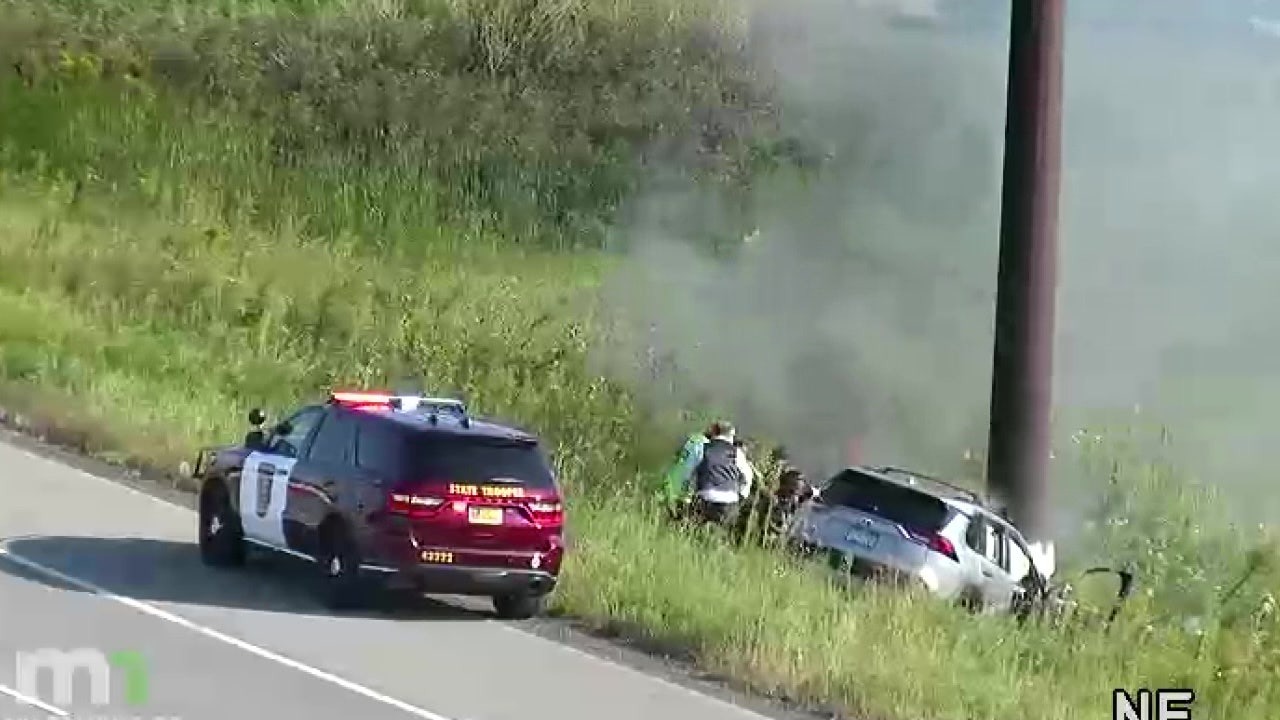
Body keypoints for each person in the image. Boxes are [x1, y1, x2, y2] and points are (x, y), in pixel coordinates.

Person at [688, 421, 754, 527]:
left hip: (705, 497)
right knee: (723, 534)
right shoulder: (736, 452)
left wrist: (690, 494)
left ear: (714, 431)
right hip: (729, 500)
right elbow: (748, 476)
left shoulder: (702, 448)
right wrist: (742, 495)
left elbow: (690, 472)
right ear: (732, 434)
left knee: (694, 530)